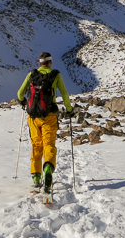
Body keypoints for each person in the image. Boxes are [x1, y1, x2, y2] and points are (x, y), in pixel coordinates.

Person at [17, 52, 74, 193]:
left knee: (36, 146)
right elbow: (65, 94)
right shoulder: (55, 75)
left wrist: (24, 103)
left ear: (39, 62)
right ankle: (48, 169)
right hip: (49, 116)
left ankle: (36, 178)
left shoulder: (32, 75)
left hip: (33, 117)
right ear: (50, 62)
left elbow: (19, 93)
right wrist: (69, 109)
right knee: (49, 144)